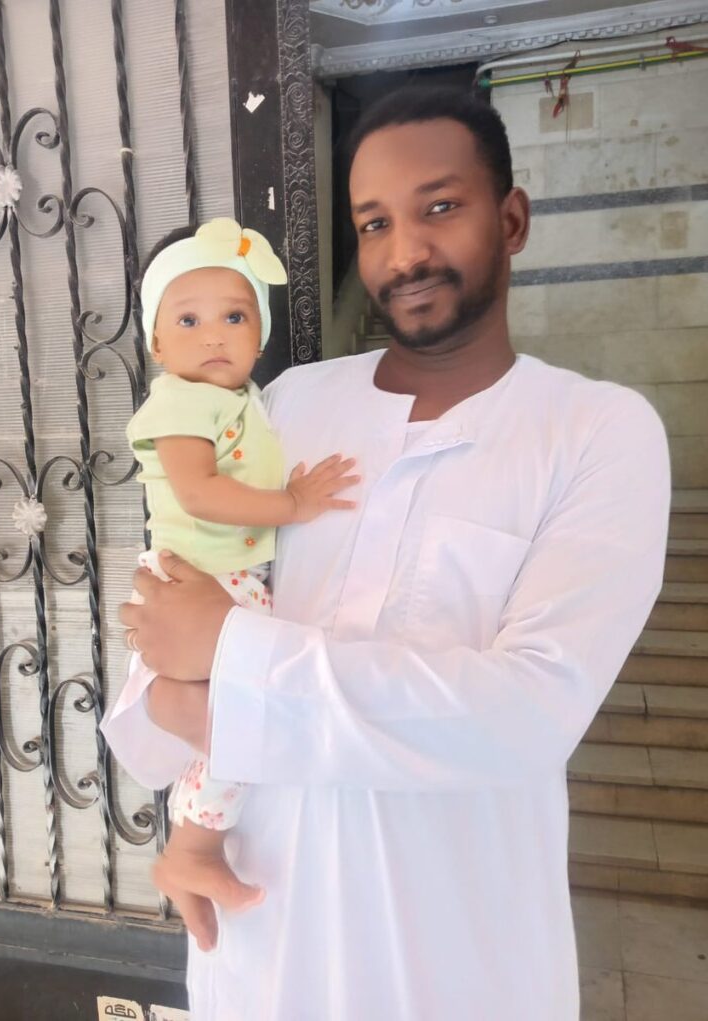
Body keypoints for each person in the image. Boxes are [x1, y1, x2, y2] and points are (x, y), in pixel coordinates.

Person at [102, 87, 671, 1021]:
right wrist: (181, 686)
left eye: (439, 207)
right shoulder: (290, 404)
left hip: (451, 962)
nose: (404, 252)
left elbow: (524, 715)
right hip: (260, 941)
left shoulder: (597, 432)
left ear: (511, 218)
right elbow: (173, 624)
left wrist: (231, 668)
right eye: (373, 224)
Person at [119, 216, 358, 931]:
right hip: (200, 576)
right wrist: (293, 505)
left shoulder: (244, 400)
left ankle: (190, 845)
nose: (214, 336)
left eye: (235, 316)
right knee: (252, 723)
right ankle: (191, 836)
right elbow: (198, 492)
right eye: (188, 320)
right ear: (157, 344)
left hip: (228, 579)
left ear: (259, 333)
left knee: (247, 724)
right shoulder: (179, 401)